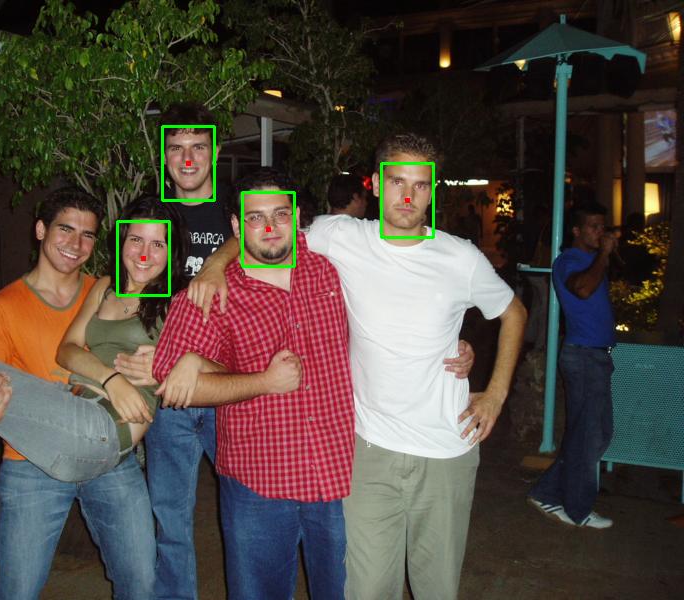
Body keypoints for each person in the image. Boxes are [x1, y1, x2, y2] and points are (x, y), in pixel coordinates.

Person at [190, 134, 525, 599]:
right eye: (397, 182)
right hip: (369, 449)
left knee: (436, 588)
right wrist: (214, 265)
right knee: (365, 590)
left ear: (432, 191)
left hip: (446, 448)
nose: (407, 197)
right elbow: (266, 226)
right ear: (377, 184)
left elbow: (513, 313)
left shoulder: (460, 257)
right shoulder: (342, 236)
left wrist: (495, 394)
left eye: (420, 185)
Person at [0, 199, 203, 588]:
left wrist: (177, 363)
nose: (144, 253)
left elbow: (216, 364)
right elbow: (66, 350)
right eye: (136, 239)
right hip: (54, 430)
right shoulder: (103, 288)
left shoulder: (180, 301)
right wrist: (111, 379)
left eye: (158, 244)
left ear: (173, 250)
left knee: (140, 583)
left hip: (104, 436)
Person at [152, 168, 353, 600]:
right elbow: (176, 387)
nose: (270, 227)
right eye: (255, 217)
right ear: (236, 225)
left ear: (296, 217)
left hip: (335, 474)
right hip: (260, 479)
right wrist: (264, 382)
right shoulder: (211, 293)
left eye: (280, 214)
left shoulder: (330, 270)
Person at [0, 188, 157, 598]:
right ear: (41, 230)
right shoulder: (1, 307)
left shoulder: (108, 291)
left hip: (110, 458)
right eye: (65, 229)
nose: (76, 243)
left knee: (142, 581)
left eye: (88, 235)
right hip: (31, 463)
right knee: (17, 589)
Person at [113, 102, 234, 600]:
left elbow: (278, 240)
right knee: (170, 519)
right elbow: (125, 291)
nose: (187, 158)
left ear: (215, 151)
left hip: (229, 385)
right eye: (176, 147)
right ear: (163, 155)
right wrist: (133, 354)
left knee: (248, 509)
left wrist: (218, 261)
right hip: (167, 393)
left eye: (198, 147)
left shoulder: (237, 206)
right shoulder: (149, 213)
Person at [527, 201, 616, 529]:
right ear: (577, 231)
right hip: (583, 357)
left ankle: (547, 492)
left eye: (603, 226)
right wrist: (604, 255)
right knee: (589, 435)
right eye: (594, 226)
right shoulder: (569, 261)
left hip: (596, 356)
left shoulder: (592, 262)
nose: (600, 232)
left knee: (597, 433)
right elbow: (581, 289)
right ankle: (578, 510)